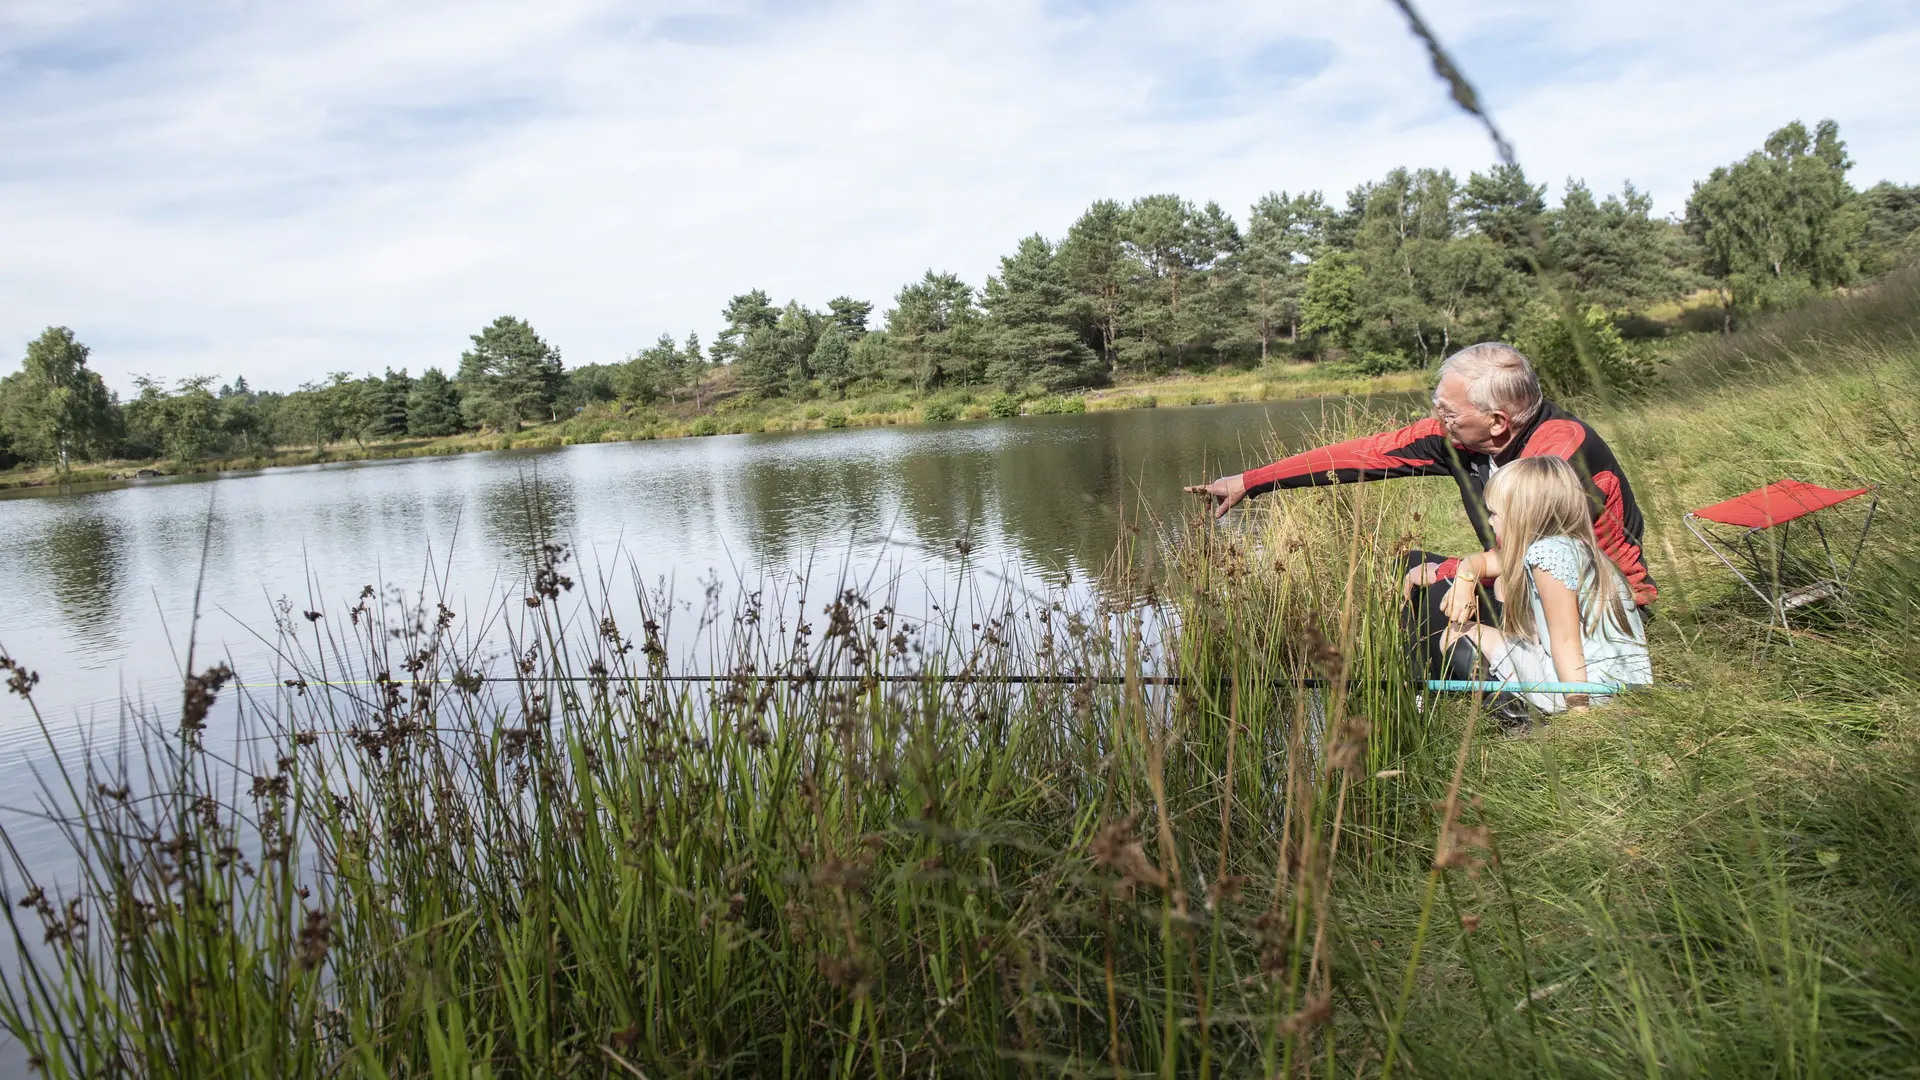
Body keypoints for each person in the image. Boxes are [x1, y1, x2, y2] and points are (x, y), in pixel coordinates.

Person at [1184, 342, 1654, 683]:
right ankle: (1438, 692)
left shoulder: (1553, 460)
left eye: (1449, 413)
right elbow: (1367, 454)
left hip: (1596, 616)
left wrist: (1457, 571)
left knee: (1433, 588)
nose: (1438, 421)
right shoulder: (1465, 438)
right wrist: (1251, 481)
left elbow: (1533, 562)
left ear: (1497, 422)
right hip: (1527, 584)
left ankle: (1512, 706)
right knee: (1411, 569)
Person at [1438, 455, 1651, 714]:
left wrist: (1580, 715)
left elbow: (1566, 641)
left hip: (1586, 689)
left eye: (1494, 513)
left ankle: (1520, 717)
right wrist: (1464, 581)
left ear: (1521, 516)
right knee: (1504, 582)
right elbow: (1482, 562)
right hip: (1624, 683)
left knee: (1455, 634)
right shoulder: (1572, 544)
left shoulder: (1547, 556)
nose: (1490, 521)